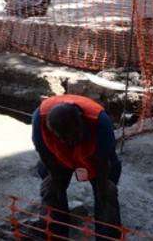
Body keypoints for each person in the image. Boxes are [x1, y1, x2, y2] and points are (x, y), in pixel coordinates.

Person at [32, 95, 122, 239]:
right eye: (62, 138)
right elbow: (44, 153)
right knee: (51, 188)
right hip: (58, 155)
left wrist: (103, 184)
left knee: (107, 192)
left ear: (81, 122)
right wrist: (54, 178)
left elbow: (104, 161)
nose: (68, 142)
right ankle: (55, 234)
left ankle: (107, 235)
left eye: (71, 136)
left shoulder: (100, 122)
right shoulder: (40, 120)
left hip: (94, 154)